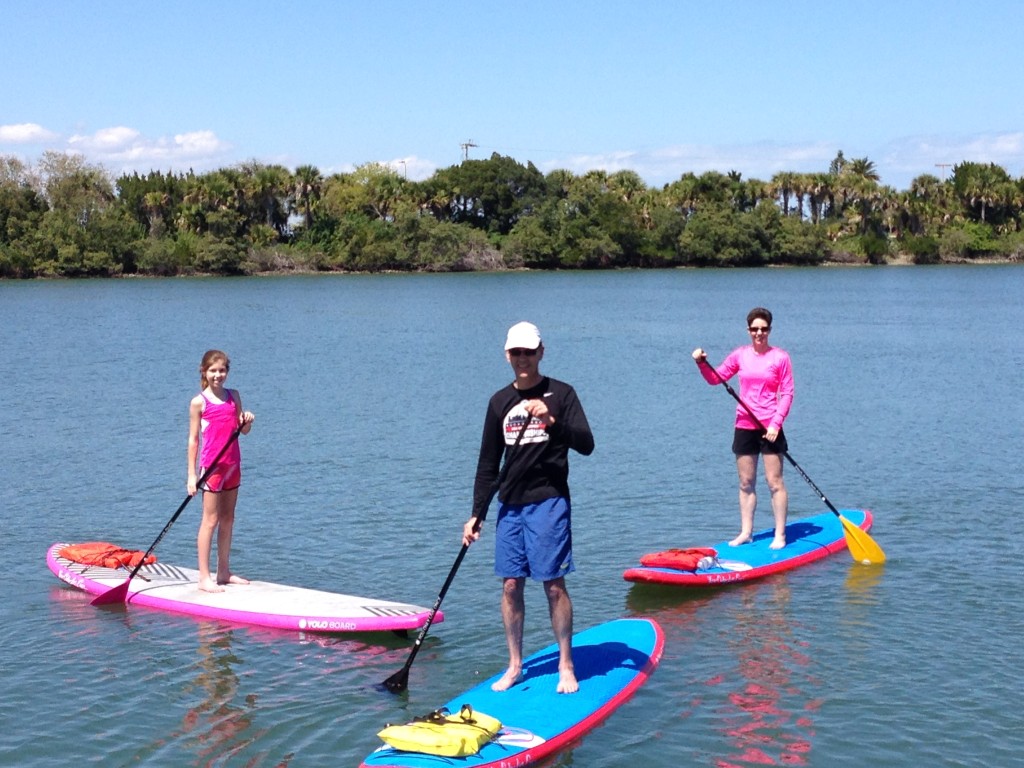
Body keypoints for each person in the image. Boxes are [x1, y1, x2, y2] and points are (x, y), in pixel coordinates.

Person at [462, 321, 594, 694]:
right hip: (510, 507)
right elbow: (488, 464)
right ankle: (515, 665)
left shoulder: (562, 394)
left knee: (553, 586)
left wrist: (552, 423)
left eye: (529, 352)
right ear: (507, 355)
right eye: (516, 352)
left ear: (541, 352)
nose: (523, 359)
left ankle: (566, 665)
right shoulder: (499, 402)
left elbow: (586, 444)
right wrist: (477, 513)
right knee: (509, 586)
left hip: (549, 502)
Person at [692, 307, 794, 550]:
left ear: (770, 330)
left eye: (764, 329)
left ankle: (780, 535)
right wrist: (701, 363)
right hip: (744, 424)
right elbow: (716, 378)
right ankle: (746, 533)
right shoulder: (740, 355)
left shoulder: (780, 357)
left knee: (774, 482)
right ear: (748, 331)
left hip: (770, 427)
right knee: (746, 482)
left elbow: (788, 393)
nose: (759, 333)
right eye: (755, 329)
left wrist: (775, 424)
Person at [187, 350, 255, 593]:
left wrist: (246, 421)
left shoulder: (233, 396)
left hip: (233, 465)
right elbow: (193, 440)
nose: (218, 375)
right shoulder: (199, 402)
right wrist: (192, 476)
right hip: (211, 469)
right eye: (213, 370)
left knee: (228, 519)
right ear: (204, 372)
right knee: (210, 520)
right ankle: (204, 578)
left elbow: (242, 431)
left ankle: (223, 571)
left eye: (222, 370)